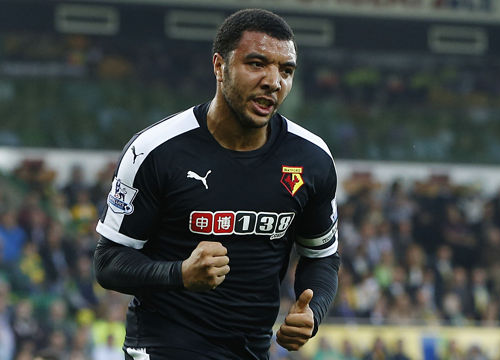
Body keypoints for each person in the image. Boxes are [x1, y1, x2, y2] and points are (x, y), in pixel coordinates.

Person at [93, 8, 340, 359]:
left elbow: (322, 257)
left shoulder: (312, 159)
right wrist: (179, 274)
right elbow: (108, 262)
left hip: (252, 349)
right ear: (219, 67)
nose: (274, 81)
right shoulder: (156, 150)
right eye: (257, 64)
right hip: (164, 345)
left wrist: (311, 313)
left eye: (286, 70)